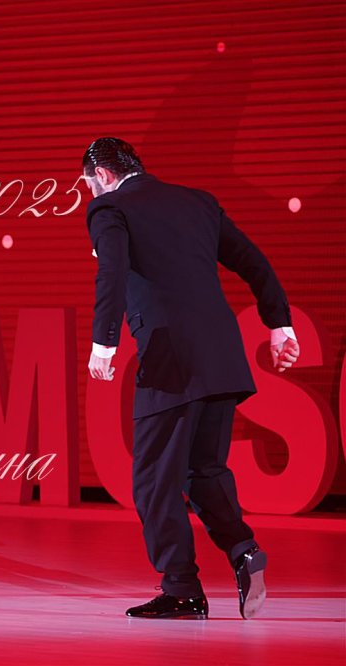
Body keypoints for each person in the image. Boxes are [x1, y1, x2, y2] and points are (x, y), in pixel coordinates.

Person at [82, 137, 299, 620]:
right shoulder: (198, 202)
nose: (90, 195)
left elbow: (111, 272)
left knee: (154, 479)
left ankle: (181, 588)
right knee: (203, 470)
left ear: (102, 176)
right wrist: (279, 323)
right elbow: (253, 260)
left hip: (170, 360)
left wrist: (103, 342)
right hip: (222, 355)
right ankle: (243, 550)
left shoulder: (109, 207)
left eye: (88, 185)